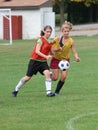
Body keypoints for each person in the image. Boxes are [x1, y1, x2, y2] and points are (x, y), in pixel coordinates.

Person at [12, 25, 55, 97]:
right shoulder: (40, 40)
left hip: (43, 62)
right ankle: (16, 89)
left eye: (50, 32)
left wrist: (57, 48)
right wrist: (46, 56)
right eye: (47, 31)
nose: (49, 33)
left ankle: (48, 93)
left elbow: (51, 53)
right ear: (44, 31)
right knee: (27, 78)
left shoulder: (49, 42)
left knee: (47, 73)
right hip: (34, 61)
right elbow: (37, 51)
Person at [50, 21, 80, 96]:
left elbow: (74, 52)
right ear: (62, 31)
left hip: (65, 61)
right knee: (55, 78)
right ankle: (49, 75)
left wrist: (76, 57)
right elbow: (50, 48)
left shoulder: (71, 41)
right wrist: (56, 49)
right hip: (56, 59)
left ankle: (57, 92)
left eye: (67, 31)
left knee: (63, 77)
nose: (66, 33)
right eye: (65, 31)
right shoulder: (57, 39)